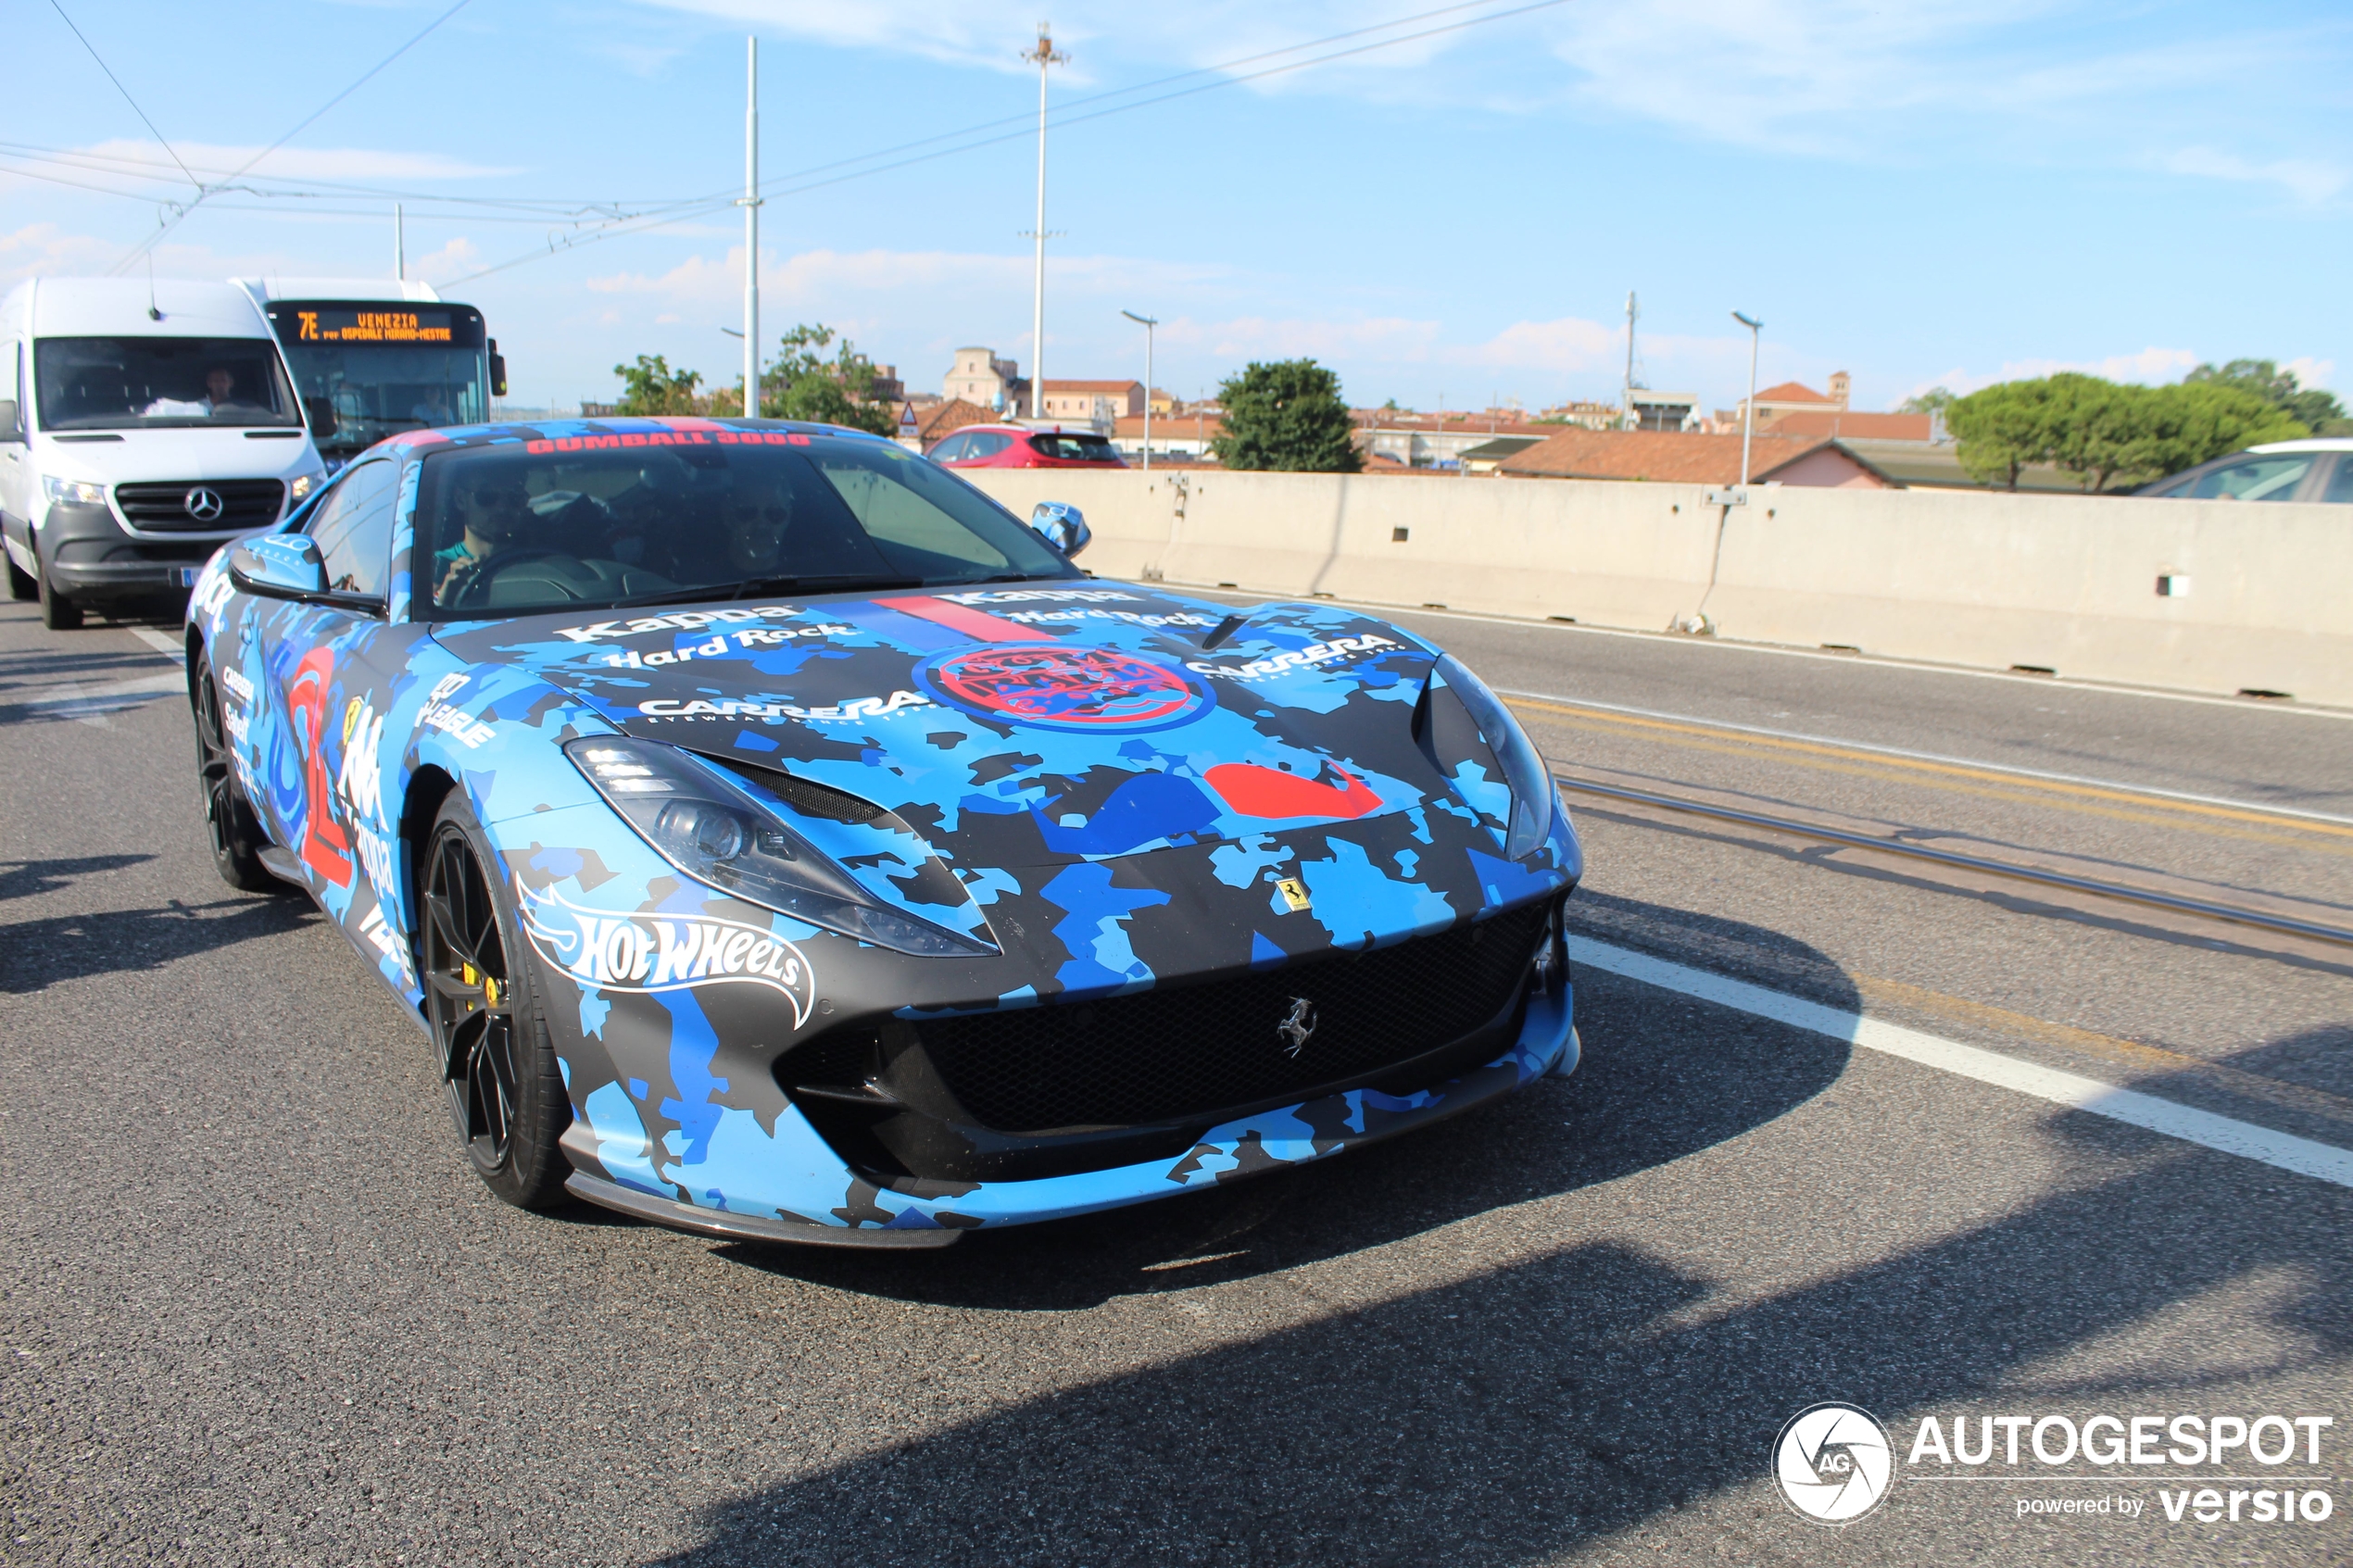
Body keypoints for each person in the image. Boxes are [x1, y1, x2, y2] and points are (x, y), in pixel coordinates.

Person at [434, 478, 537, 604]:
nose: (502, 508)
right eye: (487, 495)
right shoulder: (438, 566)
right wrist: (445, 601)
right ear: (460, 499)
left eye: (514, 495)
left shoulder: (541, 560)